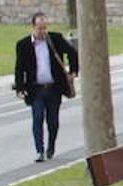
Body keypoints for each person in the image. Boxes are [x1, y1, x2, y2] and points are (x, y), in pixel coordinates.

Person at [13, 12, 78, 162]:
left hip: (54, 88)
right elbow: (19, 68)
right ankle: (39, 150)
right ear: (33, 27)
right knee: (37, 118)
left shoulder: (55, 39)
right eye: (40, 28)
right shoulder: (23, 45)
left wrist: (73, 71)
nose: (43, 32)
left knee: (53, 121)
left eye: (45, 28)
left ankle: (51, 146)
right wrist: (20, 88)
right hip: (36, 89)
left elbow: (72, 53)